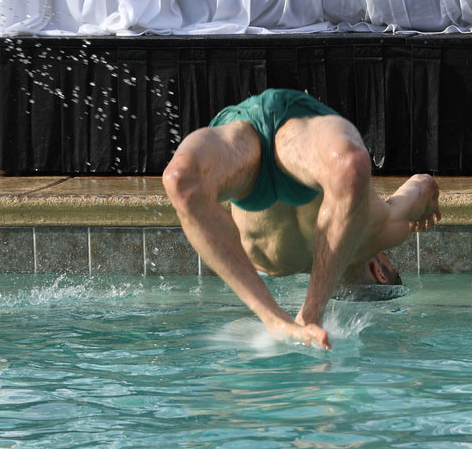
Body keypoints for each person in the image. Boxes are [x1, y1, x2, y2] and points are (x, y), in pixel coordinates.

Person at [162, 89, 440, 349]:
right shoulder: (375, 231)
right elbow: (423, 186)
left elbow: (423, 184)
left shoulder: (263, 259)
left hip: (251, 147)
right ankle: (309, 315)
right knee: (351, 164)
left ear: (379, 270)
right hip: (299, 134)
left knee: (180, 181)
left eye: (388, 260)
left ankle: (275, 319)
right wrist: (428, 199)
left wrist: (429, 200)